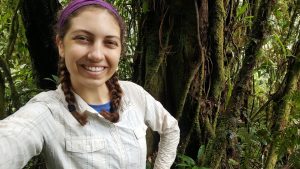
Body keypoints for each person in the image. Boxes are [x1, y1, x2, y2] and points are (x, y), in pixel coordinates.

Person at [0, 0, 180, 169]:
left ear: (120, 51)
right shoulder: (47, 112)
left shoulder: (133, 94)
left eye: (110, 43)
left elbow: (170, 128)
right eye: (83, 38)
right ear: (61, 44)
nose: (96, 55)